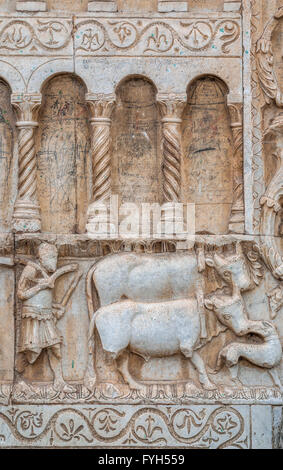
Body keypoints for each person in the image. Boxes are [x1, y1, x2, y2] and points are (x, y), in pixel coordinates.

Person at [17, 242, 77, 393]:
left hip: (46, 314)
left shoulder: (45, 271)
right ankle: (17, 380)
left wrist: (55, 307)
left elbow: (44, 298)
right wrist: (41, 286)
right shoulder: (31, 269)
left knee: (55, 347)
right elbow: (21, 293)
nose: (54, 262)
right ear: (43, 258)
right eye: (52, 258)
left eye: (55, 258)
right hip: (33, 316)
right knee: (31, 350)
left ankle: (59, 382)